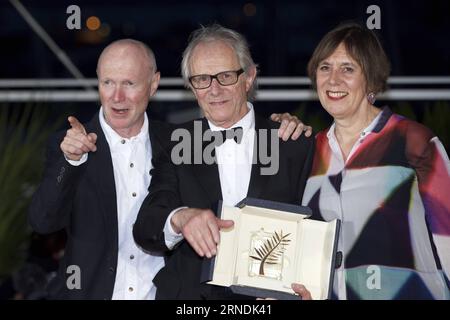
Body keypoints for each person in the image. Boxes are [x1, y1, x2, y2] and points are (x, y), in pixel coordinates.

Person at [28, 38, 308, 300]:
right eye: (108, 82)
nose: (117, 96)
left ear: (153, 84)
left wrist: (281, 124)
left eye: (129, 83)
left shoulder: (176, 140)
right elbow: (43, 222)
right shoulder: (71, 144)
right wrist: (71, 161)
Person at [133, 24, 315, 300]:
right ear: (192, 88)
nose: (214, 89)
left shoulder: (291, 143)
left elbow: (316, 231)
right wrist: (180, 218)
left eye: (226, 76)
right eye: (202, 79)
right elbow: (147, 228)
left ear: (249, 77)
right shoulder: (176, 143)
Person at [301, 22, 450, 299]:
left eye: (347, 68)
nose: (333, 80)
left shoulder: (413, 140)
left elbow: (448, 232)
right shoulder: (309, 151)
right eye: (325, 67)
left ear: (370, 78)